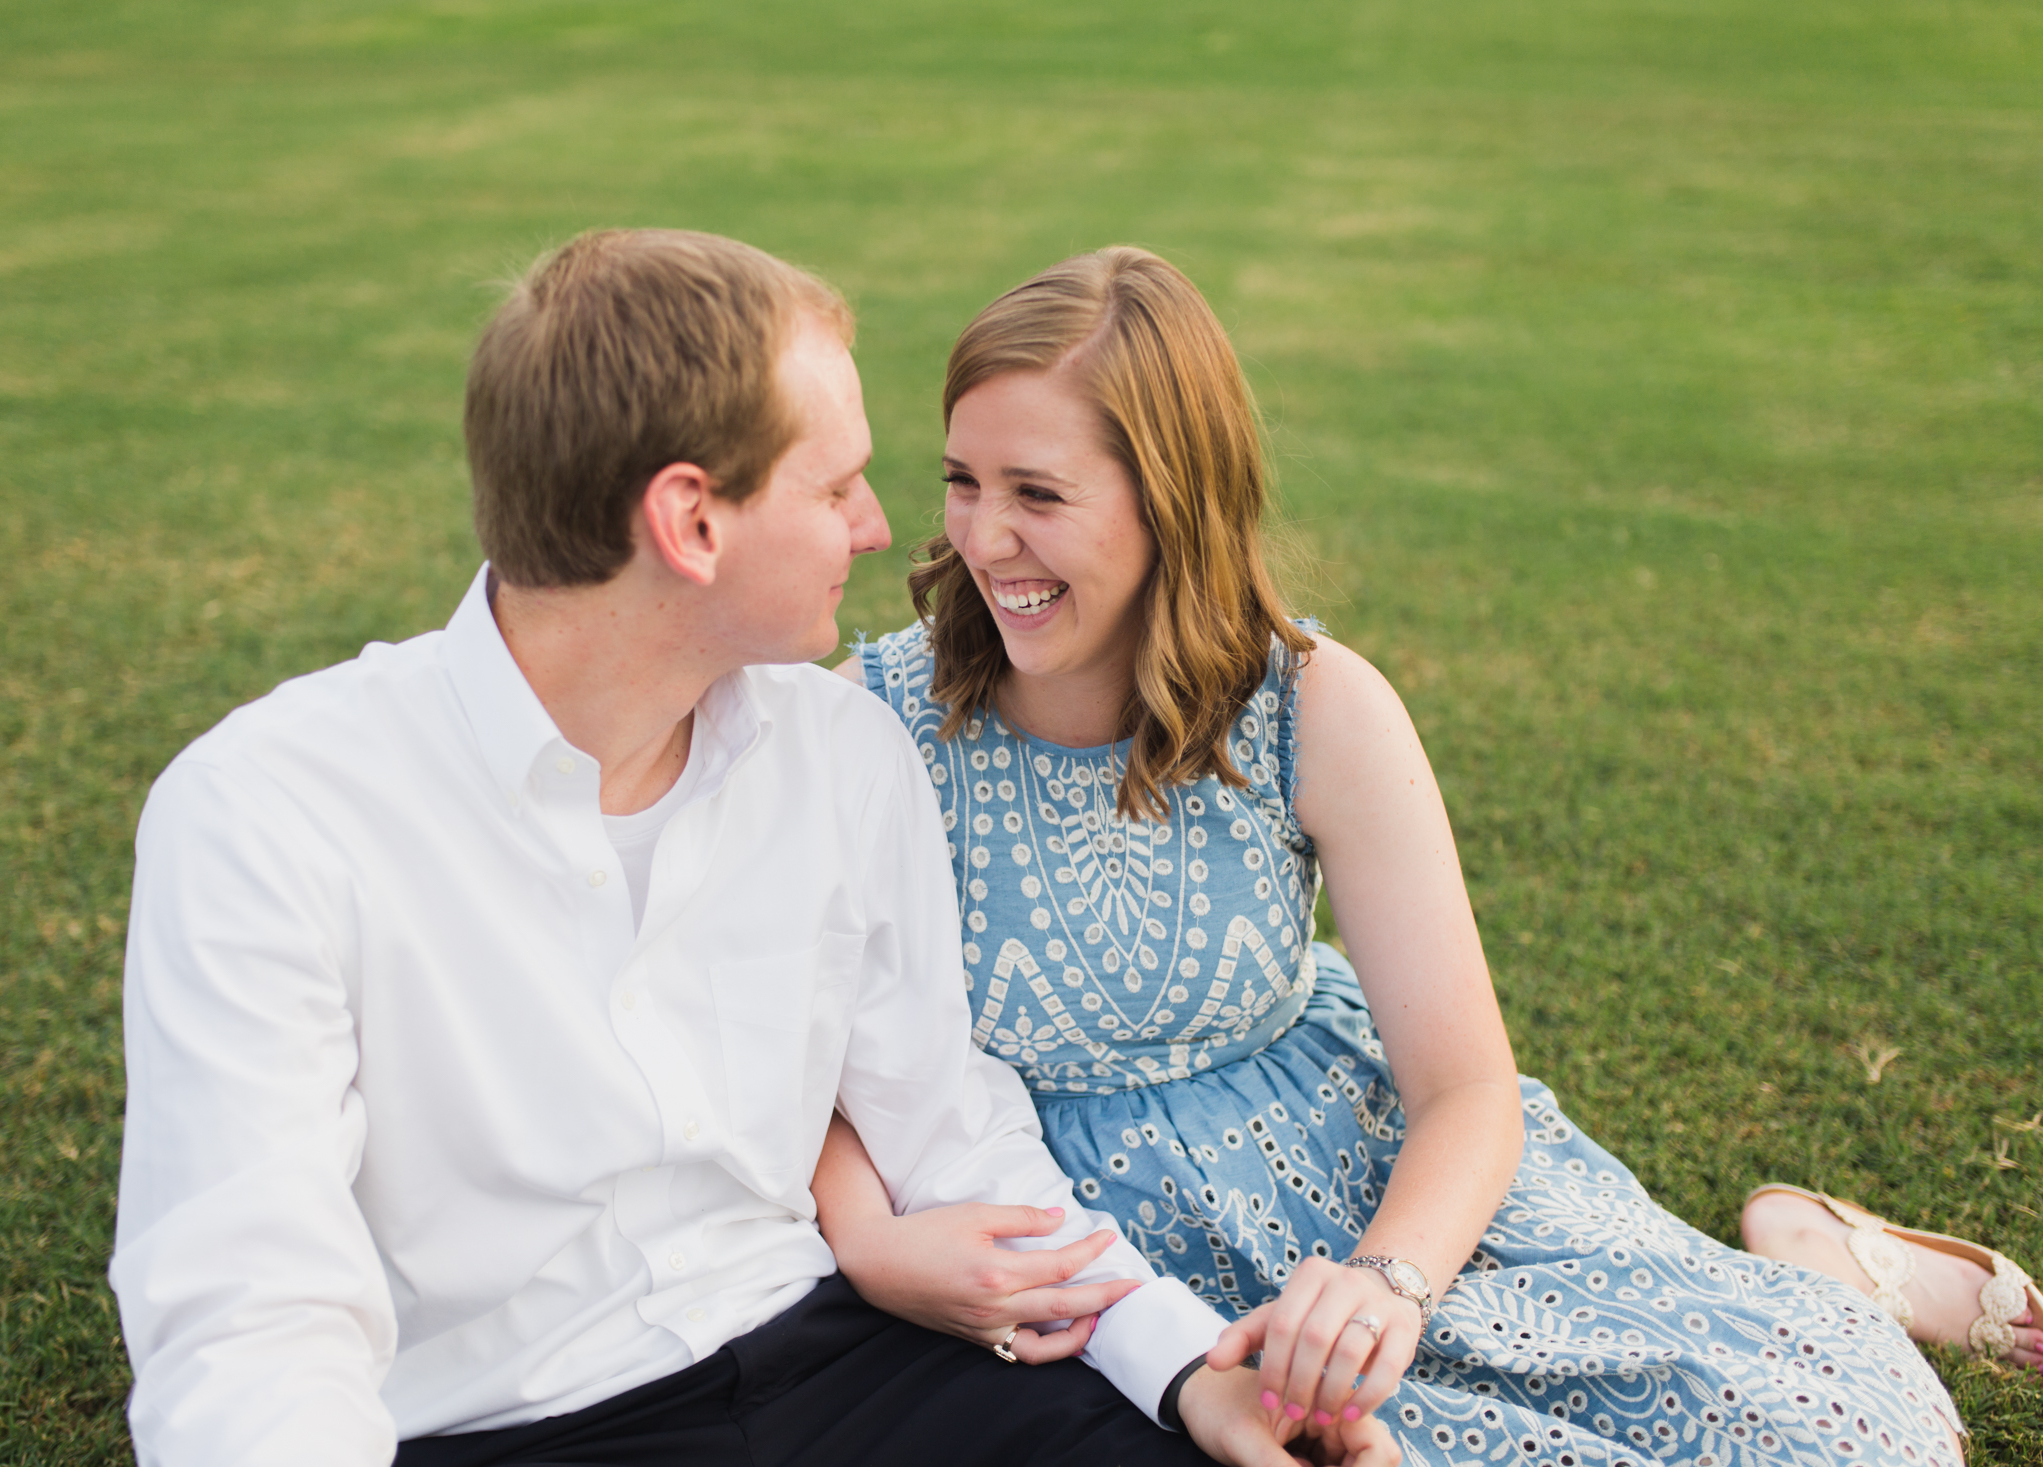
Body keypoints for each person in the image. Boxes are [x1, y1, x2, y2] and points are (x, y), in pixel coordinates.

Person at [108, 228, 1398, 1467]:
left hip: (858, 1363)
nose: (885, 529)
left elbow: (949, 1132)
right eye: (834, 486)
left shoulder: (840, 754)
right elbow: (249, 1318)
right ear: (692, 523)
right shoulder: (268, 811)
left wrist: (1184, 1373)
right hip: (504, 1424)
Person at [812, 246, 1985, 1466]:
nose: (986, 538)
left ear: (1171, 498)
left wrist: (1386, 1284)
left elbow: (1467, 1087)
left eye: (1038, 495)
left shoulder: (1310, 708)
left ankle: (1820, 1257)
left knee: (1845, 1440)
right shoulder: (877, 719)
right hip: (1057, 1262)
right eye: (960, 480)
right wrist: (872, 1243)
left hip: (1350, 1194)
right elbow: (806, 1053)